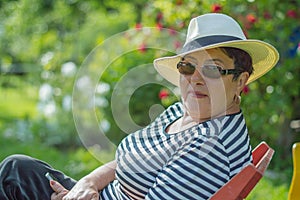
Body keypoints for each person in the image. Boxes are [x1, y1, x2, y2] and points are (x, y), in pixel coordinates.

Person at [0, 13, 279, 200]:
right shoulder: (184, 112)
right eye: (187, 66)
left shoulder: (210, 145)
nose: (195, 78)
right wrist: (88, 183)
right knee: (16, 169)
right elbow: (128, 161)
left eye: (213, 69)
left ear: (240, 79)